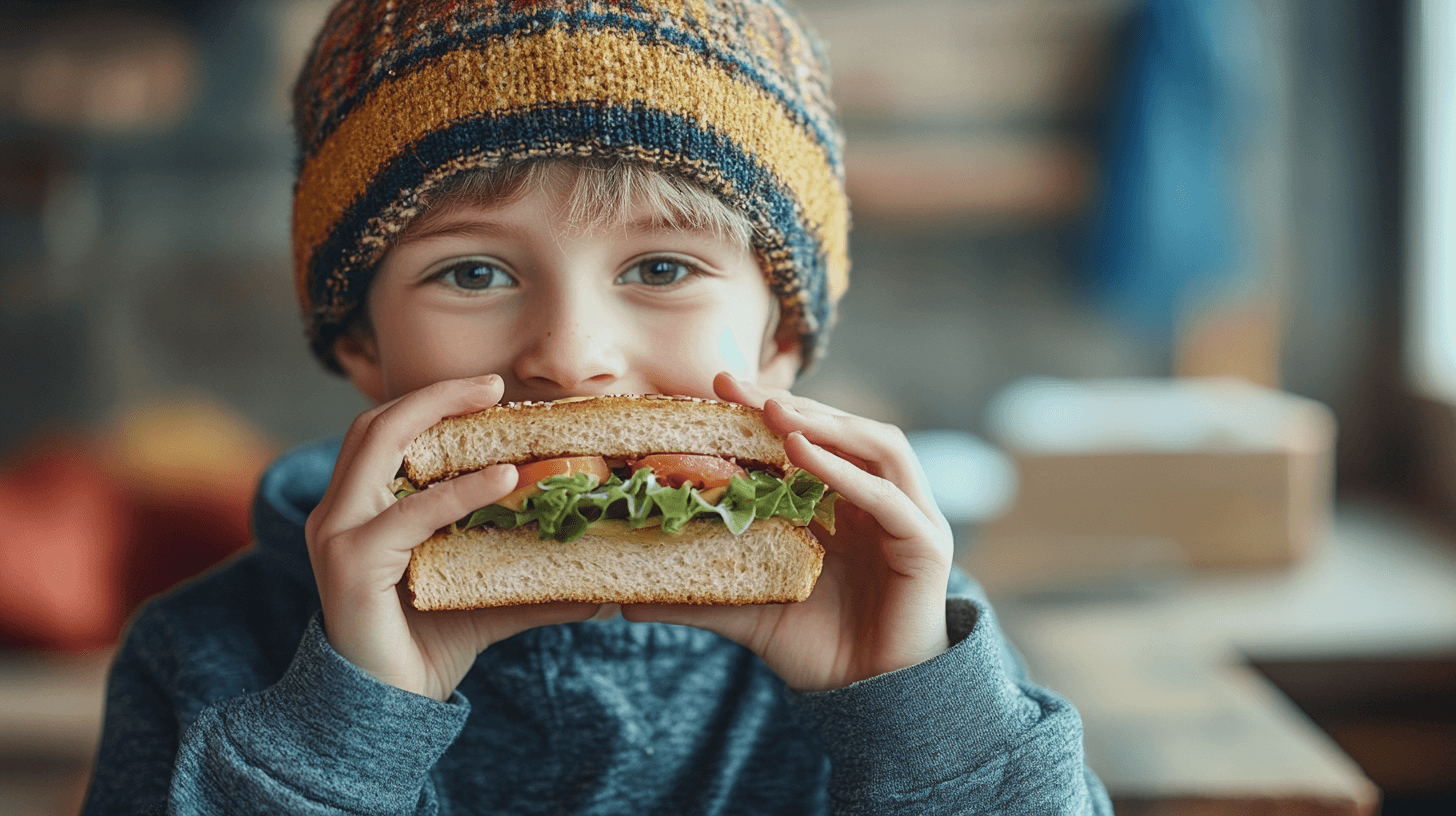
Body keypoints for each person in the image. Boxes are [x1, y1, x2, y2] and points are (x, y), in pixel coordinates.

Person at [83, 1, 1113, 813]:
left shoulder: (902, 623)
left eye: (661, 265)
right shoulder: (205, 654)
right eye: (475, 274)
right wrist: (354, 721)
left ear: (781, 339)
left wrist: (915, 718)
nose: (571, 359)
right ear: (359, 342)